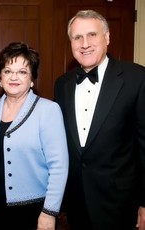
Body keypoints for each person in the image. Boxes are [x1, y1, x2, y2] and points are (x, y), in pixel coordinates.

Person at [54, 9, 145, 230]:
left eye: (92, 35)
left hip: (120, 205)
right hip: (76, 204)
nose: (85, 43)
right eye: (77, 37)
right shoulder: (62, 84)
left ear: (107, 37)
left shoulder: (137, 78)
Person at [0, 42, 69, 230]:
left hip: (34, 211)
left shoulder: (48, 110)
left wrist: (50, 212)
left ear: (32, 79)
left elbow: (59, 166)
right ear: (0, 78)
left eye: (22, 72)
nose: (14, 77)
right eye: (8, 71)